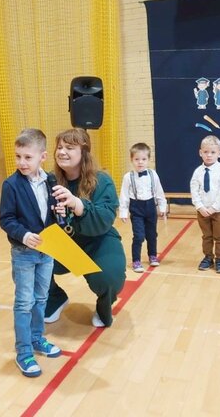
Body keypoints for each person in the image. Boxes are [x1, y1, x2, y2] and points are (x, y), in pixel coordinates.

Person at [44, 128, 126, 328]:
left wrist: (77, 204)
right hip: (66, 244)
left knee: (110, 277)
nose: (62, 152)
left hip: (98, 241)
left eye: (69, 148)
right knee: (27, 259)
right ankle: (55, 298)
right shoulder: (49, 180)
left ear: (84, 152)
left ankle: (104, 308)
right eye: (59, 147)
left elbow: (104, 219)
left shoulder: (102, 180)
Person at [0, 128, 62, 378]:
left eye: (28, 157)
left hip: (48, 251)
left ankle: (37, 338)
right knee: (24, 302)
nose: (22, 162)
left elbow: (53, 213)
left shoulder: (51, 181)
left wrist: (62, 213)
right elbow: (6, 219)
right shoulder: (11, 185)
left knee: (41, 298)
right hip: (24, 252)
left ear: (42, 157)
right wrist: (24, 235)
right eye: (18, 156)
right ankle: (23, 351)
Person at [118, 143, 167, 273]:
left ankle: (152, 255)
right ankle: (136, 260)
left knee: (152, 234)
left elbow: (159, 191)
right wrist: (123, 212)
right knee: (139, 235)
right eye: (137, 159)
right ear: (131, 159)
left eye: (144, 159)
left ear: (148, 160)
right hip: (136, 209)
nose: (140, 162)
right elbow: (124, 195)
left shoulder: (153, 174)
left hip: (150, 207)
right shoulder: (128, 177)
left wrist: (162, 207)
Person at [190, 135, 220, 274]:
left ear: (219, 153)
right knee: (206, 236)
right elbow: (194, 190)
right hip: (202, 211)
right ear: (200, 152)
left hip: (219, 211)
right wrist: (200, 207)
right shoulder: (197, 172)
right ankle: (208, 257)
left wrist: (214, 208)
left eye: (213, 152)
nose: (209, 155)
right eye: (206, 152)